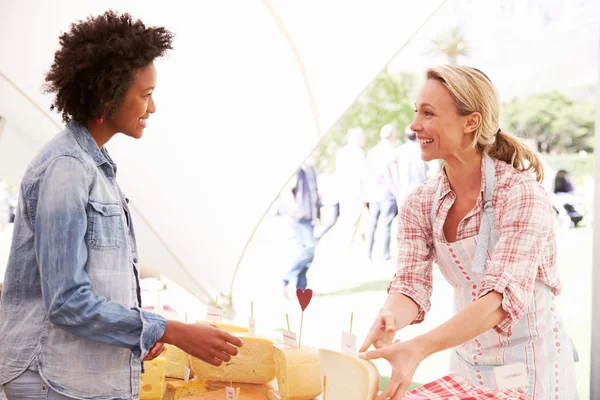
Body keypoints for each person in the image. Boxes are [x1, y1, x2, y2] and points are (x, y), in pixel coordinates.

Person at [0, 12, 243, 400]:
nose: (153, 107)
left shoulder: (94, 166)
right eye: (145, 95)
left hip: (77, 378)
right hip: (55, 379)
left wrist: (136, 331)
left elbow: (96, 285)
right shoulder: (66, 169)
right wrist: (167, 329)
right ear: (107, 95)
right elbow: (66, 301)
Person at [359, 65, 577, 399]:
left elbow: (501, 301)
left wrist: (419, 347)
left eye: (428, 113)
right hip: (466, 360)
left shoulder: (520, 193)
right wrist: (391, 316)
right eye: (416, 112)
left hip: (532, 364)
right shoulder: (420, 202)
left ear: (470, 122)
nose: (415, 125)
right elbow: (411, 284)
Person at [278, 151, 320, 296]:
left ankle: (301, 288)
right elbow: (287, 190)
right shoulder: (298, 171)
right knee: (309, 248)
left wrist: (317, 215)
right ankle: (284, 279)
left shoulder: (311, 170)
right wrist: (295, 208)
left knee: (307, 252)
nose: (316, 155)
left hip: (308, 216)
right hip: (298, 217)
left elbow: (314, 193)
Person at [364, 124, 398, 261]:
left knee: (372, 223)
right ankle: (385, 254)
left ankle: (368, 253)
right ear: (392, 135)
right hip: (386, 192)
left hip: (373, 192)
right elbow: (393, 173)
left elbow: (366, 172)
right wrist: (396, 189)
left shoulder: (372, 152)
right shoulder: (391, 151)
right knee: (386, 223)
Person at [389, 126, 429, 205]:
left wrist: (393, 184)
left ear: (406, 137)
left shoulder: (399, 150)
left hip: (403, 190)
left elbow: (388, 165)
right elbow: (433, 168)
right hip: (420, 189)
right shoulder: (423, 149)